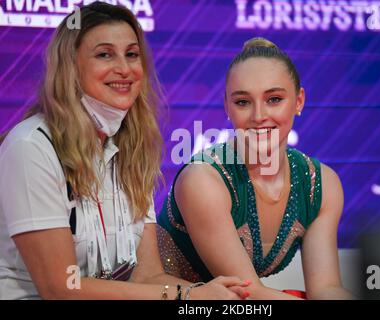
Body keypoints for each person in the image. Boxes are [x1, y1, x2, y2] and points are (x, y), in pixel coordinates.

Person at [0, 2, 250, 300]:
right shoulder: (31, 147)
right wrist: (187, 298)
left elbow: (147, 276)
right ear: (71, 67)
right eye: (105, 54)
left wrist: (208, 294)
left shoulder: (131, 150)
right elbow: (60, 288)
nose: (124, 68)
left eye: (132, 55)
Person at [157, 37, 354, 300]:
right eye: (242, 102)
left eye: (274, 99)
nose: (259, 116)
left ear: (299, 101)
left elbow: (326, 288)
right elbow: (250, 294)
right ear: (227, 106)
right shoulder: (202, 179)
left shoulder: (321, 184)